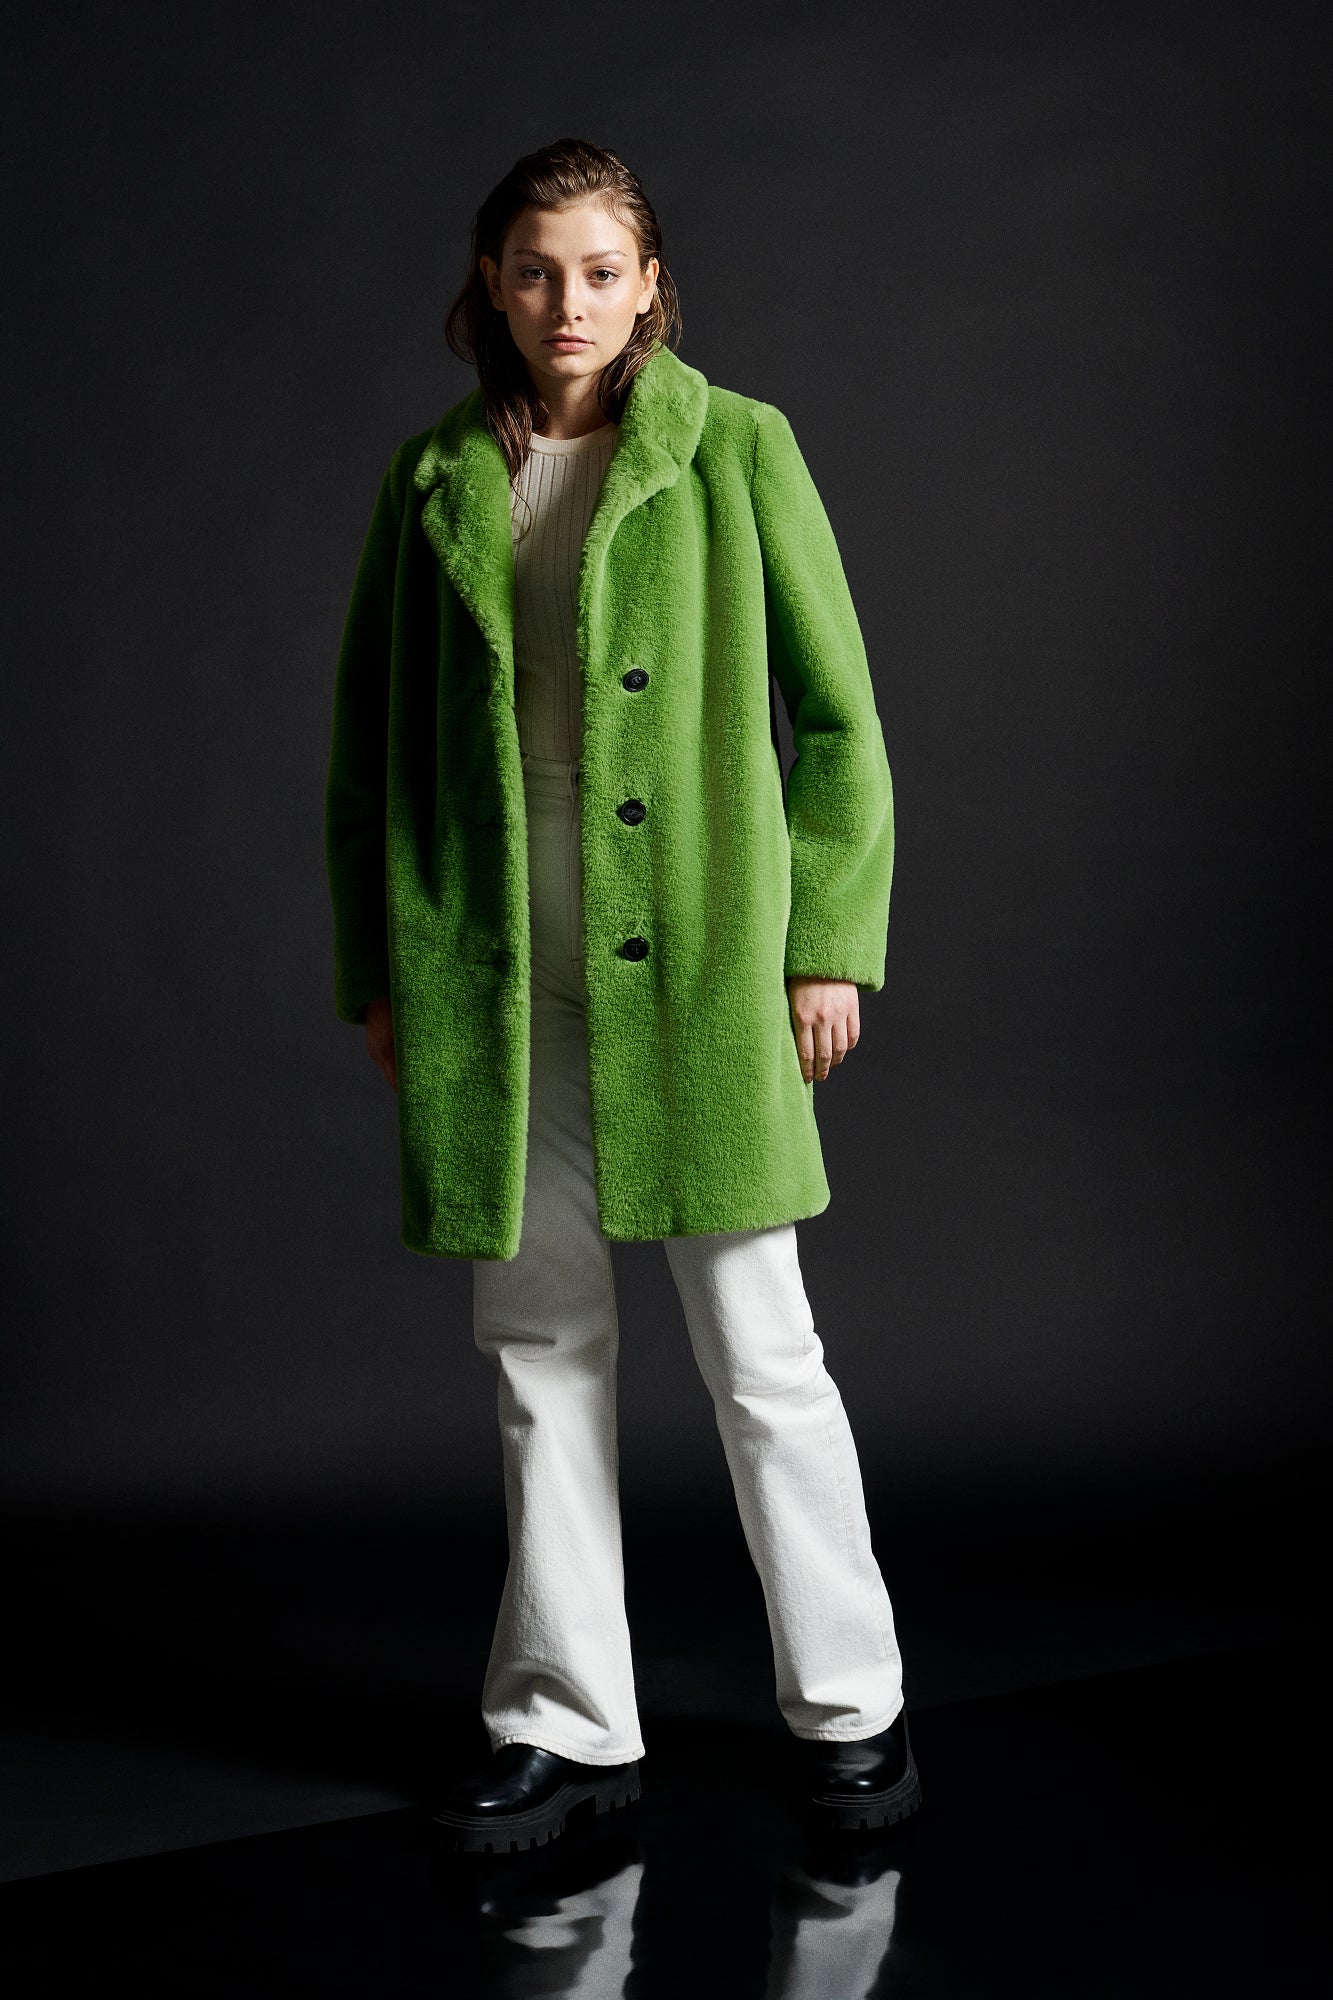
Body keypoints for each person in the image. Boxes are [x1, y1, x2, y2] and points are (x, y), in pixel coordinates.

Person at [324, 137, 922, 1854]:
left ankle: (852, 1709)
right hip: (498, 985)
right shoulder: (433, 478)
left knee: (761, 1354)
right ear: (491, 286)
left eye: (599, 270)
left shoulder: (738, 449)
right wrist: (381, 972)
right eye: (534, 271)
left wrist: (827, 942)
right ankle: (565, 1721)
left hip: (705, 977)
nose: (566, 302)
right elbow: (369, 751)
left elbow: (841, 722)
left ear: (650, 284)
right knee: (537, 1352)